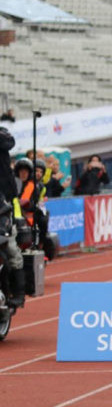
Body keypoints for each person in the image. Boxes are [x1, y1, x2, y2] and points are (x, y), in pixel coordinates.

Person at [0, 128, 25, 310]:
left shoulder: (2, 136)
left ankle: (18, 293)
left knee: (10, 248)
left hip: (4, 204)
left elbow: (8, 141)